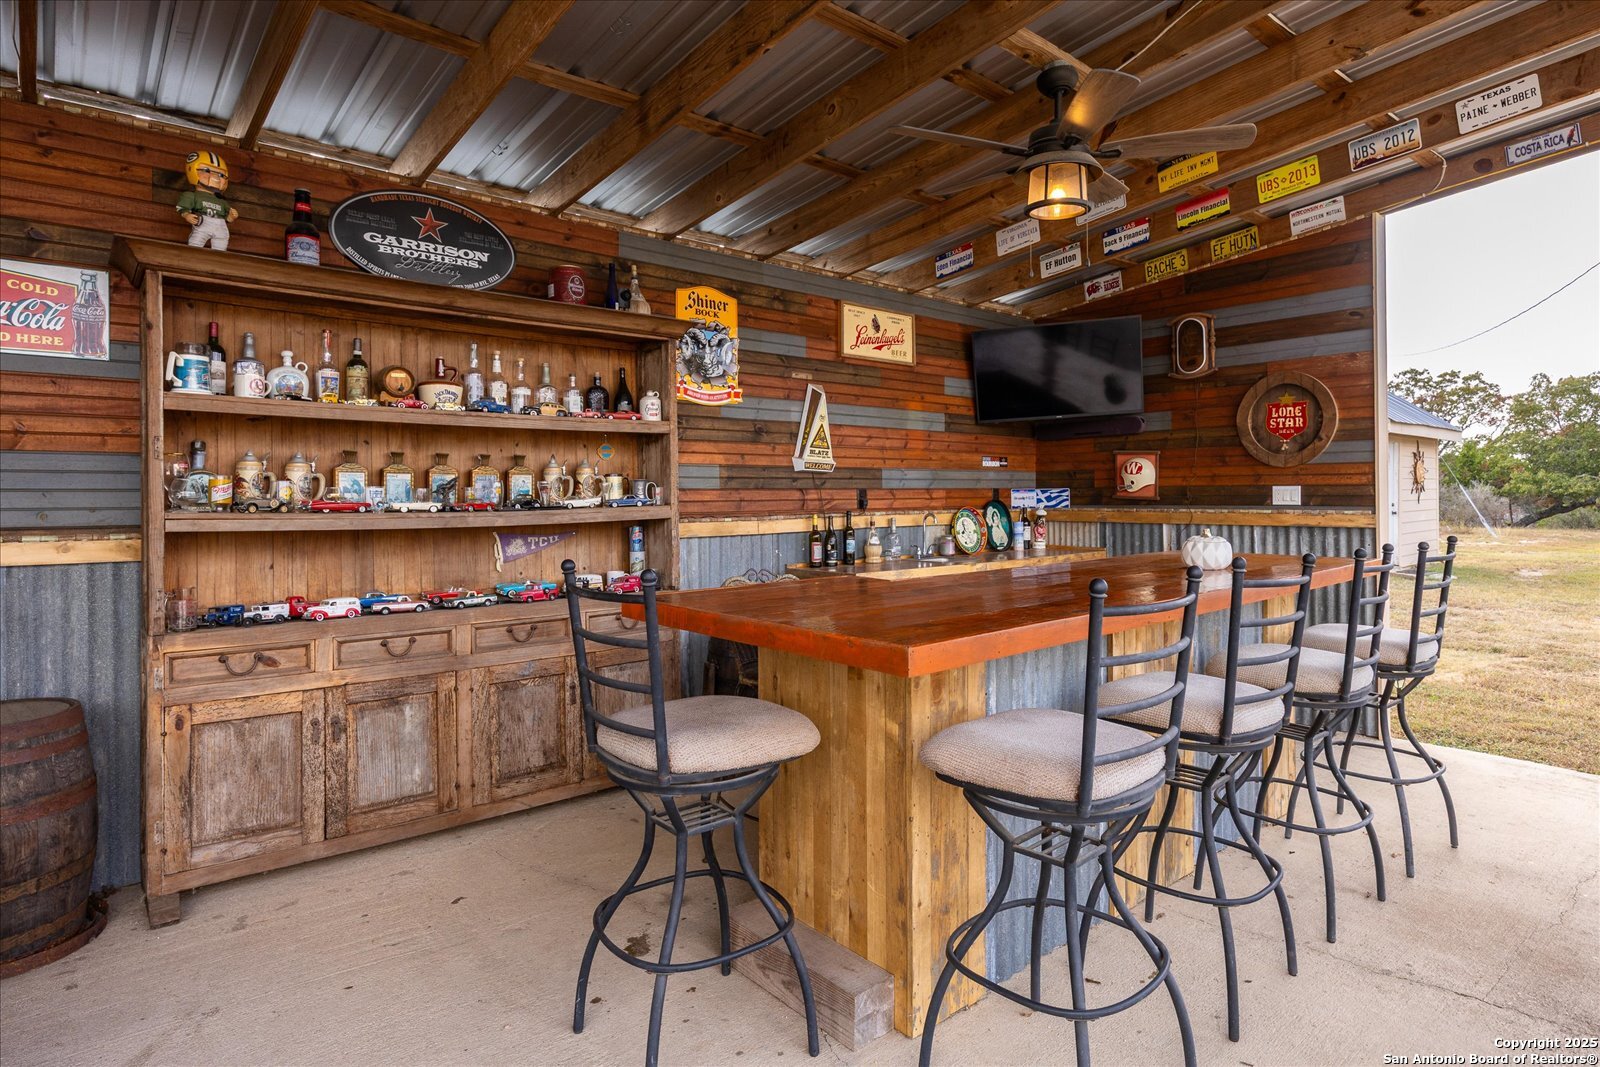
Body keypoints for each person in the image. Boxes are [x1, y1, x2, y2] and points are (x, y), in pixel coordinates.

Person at [177, 150, 238, 251]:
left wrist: (231, 216)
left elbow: (227, 218)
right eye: (206, 170)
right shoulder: (193, 195)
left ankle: (218, 260)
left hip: (220, 223)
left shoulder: (221, 200)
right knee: (196, 243)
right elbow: (183, 207)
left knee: (221, 242)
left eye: (221, 175)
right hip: (203, 220)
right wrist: (186, 215)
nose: (215, 177)